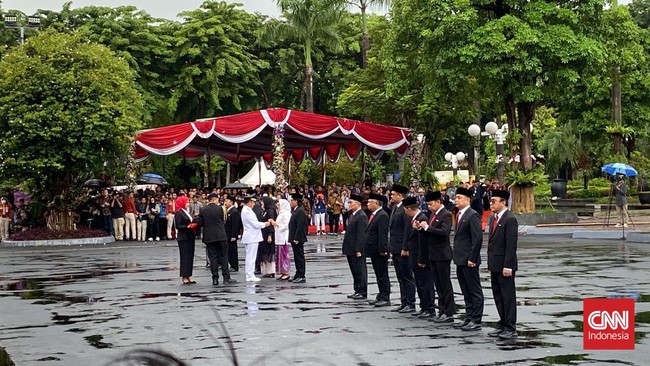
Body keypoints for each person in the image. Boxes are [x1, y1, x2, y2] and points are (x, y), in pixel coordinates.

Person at [419, 191, 455, 324]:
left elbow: (444, 232)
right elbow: (430, 232)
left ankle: (449, 311)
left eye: (431, 204)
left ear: (438, 202)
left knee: (445, 284)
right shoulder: (433, 215)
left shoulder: (445, 214)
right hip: (433, 253)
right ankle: (442, 310)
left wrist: (428, 228)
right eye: (427, 204)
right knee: (438, 284)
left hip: (442, 254)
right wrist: (421, 228)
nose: (429, 206)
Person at [487, 189, 519, 340]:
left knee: (507, 297)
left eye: (494, 201)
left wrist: (508, 266)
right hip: (495, 263)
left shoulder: (509, 219)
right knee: (498, 296)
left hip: (505, 265)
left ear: (503, 203)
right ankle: (502, 322)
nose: (491, 204)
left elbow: (511, 245)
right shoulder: (493, 219)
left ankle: (510, 327)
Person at [452, 187, 484, 331]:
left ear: (467, 199)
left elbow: (477, 239)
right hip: (460, 258)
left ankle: (476, 319)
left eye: (459, 198)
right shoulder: (459, 215)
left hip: (469, 259)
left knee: (474, 290)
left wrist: (472, 257)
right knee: (465, 290)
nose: (456, 200)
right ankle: (469, 316)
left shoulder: (472, 215)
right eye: (455, 197)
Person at [402, 196, 435, 319]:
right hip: (414, 256)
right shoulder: (414, 219)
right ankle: (423, 306)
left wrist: (422, 259)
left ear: (409, 209)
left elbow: (423, 242)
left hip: (420, 257)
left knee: (425, 283)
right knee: (420, 283)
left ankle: (429, 308)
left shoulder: (422, 218)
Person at [388, 184, 416, 314]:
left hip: (402, 248)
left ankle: (410, 303)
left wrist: (405, 247)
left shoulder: (405, 209)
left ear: (400, 196)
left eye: (393, 194)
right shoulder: (395, 208)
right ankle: (404, 301)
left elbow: (407, 229)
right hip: (395, 247)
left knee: (407, 277)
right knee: (400, 277)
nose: (391, 196)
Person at [197, 193, 236, 286]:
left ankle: (215, 278)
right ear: (215, 200)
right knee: (224, 256)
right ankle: (226, 277)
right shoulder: (221, 209)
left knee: (213, 258)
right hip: (221, 235)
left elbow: (201, 223)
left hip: (209, 236)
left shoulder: (203, 209)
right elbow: (224, 220)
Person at [364, 193, 391, 307]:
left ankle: (385, 296)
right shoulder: (375, 215)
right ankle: (381, 294)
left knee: (382, 274)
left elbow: (382, 234)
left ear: (376, 203)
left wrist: (383, 249)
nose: (368, 204)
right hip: (373, 250)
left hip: (379, 250)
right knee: (378, 274)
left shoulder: (382, 215)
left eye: (370, 202)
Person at [240, 194, 272, 282]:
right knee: (251, 257)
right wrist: (266, 224)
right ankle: (250, 274)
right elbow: (255, 224)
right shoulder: (247, 211)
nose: (254, 204)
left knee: (250, 256)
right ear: (249, 202)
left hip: (250, 236)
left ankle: (249, 273)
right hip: (252, 236)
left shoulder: (246, 210)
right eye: (252, 202)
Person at [342, 194, 368, 300]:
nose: (349, 205)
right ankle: (357, 289)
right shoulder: (353, 215)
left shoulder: (361, 216)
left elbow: (361, 235)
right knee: (354, 270)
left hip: (356, 248)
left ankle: (362, 290)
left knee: (359, 270)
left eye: (351, 202)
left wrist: (358, 249)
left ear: (358, 204)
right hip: (350, 248)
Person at [174, 195, 197, 285]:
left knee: (190, 256)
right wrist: (187, 226)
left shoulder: (188, 212)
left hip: (190, 236)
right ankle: (184, 276)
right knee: (184, 257)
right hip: (183, 237)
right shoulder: (179, 213)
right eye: (186, 202)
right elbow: (178, 225)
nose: (188, 203)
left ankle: (189, 275)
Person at [288, 193, 309, 283]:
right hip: (294, 236)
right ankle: (298, 273)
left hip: (298, 238)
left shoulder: (300, 211)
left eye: (292, 200)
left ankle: (301, 274)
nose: (291, 202)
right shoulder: (296, 210)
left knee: (299, 256)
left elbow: (300, 226)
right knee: (296, 256)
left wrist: (296, 238)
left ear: (297, 201)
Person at [274, 199, 292, 281]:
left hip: (283, 237)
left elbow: (286, 225)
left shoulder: (286, 214)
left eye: (279, 205)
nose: (278, 206)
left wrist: (276, 224)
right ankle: (282, 272)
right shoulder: (281, 213)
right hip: (279, 237)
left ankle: (286, 272)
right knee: (280, 255)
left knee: (284, 255)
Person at [260, 196, 277, 278]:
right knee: (264, 252)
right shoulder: (265, 211)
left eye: (263, 202)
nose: (261, 204)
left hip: (268, 234)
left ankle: (270, 271)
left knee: (269, 252)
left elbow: (271, 223)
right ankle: (266, 270)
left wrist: (270, 235)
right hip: (263, 233)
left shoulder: (270, 211)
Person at [224, 195, 241, 272]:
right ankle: (231, 264)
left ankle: (234, 265)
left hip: (231, 235)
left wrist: (234, 235)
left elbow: (235, 224)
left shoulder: (234, 211)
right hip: (227, 234)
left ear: (231, 202)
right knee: (229, 250)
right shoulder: (228, 211)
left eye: (227, 201)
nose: (225, 203)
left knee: (232, 251)